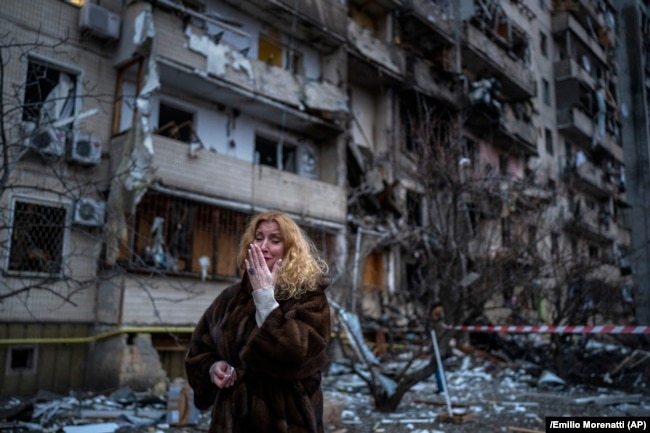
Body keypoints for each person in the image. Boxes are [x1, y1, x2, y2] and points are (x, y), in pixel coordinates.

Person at [185, 210, 332, 433]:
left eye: (275, 240)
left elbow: (298, 355)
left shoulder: (309, 297)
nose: (263, 246)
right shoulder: (230, 297)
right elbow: (199, 349)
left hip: (287, 420)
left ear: (291, 249)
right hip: (231, 422)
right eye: (259, 237)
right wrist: (214, 367)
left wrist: (265, 298)